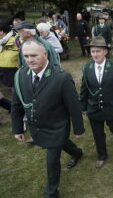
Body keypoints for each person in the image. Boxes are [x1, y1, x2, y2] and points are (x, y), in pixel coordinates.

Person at [11, 39, 84, 198]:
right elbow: (16, 104)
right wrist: (17, 128)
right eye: (26, 56)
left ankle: (51, 192)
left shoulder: (61, 77)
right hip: (37, 127)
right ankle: (77, 153)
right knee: (62, 143)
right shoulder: (20, 75)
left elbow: (73, 106)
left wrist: (78, 128)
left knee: (52, 162)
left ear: (45, 54)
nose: (29, 60)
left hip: (57, 127)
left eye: (34, 55)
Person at [79, 37, 113, 168]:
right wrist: (83, 107)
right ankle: (102, 155)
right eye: (92, 51)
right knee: (98, 134)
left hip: (112, 108)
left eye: (98, 51)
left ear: (105, 52)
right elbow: (84, 89)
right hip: (93, 109)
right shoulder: (86, 68)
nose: (95, 54)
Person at [0, 19, 20, 88]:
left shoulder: (18, 39)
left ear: (1, 31)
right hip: (3, 77)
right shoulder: (1, 41)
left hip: (14, 77)